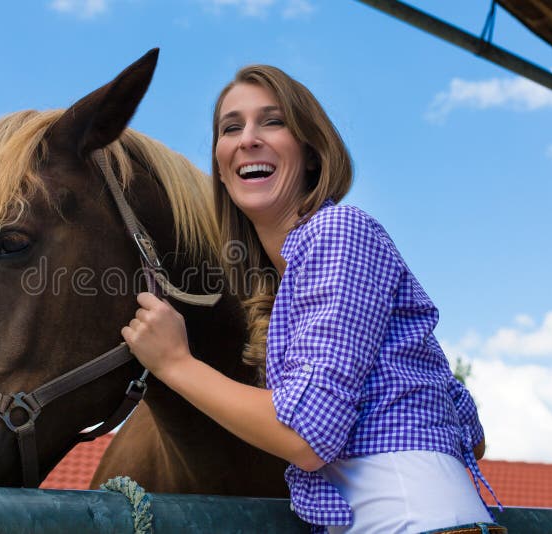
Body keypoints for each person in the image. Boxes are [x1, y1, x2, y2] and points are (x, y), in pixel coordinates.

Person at [120, 64, 504, 534]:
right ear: (221, 162)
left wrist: (175, 363)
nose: (248, 138)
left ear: (312, 152)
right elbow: (472, 431)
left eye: (273, 121)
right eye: (231, 127)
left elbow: (305, 435)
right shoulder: (290, 279)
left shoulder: (338, 234)